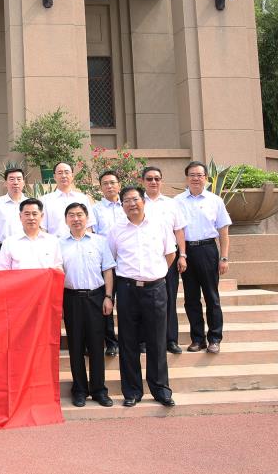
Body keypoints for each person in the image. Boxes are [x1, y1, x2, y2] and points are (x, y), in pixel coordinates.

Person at [108, 186, 176, 408]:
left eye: (135, 199)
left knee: (157, 340)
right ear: (122, 206)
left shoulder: (160, 224)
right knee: (128, 341)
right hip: (127, 289)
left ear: (143, 201)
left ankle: (160, 389)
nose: (131, 204)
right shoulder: (116, 230)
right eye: (126, 200)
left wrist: (154, 275)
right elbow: (112, 259)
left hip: (155, 289)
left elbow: (170, 254)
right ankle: (132, 391)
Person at [59, 202, 116, 408]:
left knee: (96, 345)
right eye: (71, 215)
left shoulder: (100, 242)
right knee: (75, 345)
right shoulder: (58, 244)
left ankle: (99, 390)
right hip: (71, 298)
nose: (76, 219)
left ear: (87, 218)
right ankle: (80, 390)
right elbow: (57, 274)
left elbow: (108, 270)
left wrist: (108, 297)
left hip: (96, 297)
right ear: (66, 220)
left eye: (80, 215)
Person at [175, 161, 232, 354]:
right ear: (187, 178)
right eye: (192, 175)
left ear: (206, 178)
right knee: (191, 298)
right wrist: (181, 255)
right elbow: (176, 230)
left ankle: (214, 338)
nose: (196, 178)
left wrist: (224, 258)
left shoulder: (215, 201)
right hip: (186, 251)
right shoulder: (177, 201)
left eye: (199, 175)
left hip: (208, 250)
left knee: (211, 297)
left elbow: (223, 231)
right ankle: (197, 339)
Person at [141, 166, 188, 354]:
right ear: (142, 181)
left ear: (161, 181)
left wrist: (182, 255)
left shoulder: (172, 204)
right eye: (149, 178)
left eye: (157, 178)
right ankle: (144, 340)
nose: (153, 182)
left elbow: (179, 230)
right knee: (144, 300)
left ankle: (171, 340)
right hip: (145, 259)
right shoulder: (137, 202)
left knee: (168, 298)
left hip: (169, 257)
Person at [90, 170, 126, 357]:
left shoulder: (128, 205)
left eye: (112, 182)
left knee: (128, 305)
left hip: (127, 262)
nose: (109, 186)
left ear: (119, 185)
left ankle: (131, 340)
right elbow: (93, 236)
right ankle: (111, 342)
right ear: (101, 187)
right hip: (105, 265)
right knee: (107, 301)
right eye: (105, 183)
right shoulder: (95, 209)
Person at [0, 198, 63, 271]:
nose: (31, 218)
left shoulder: (52, 241)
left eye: (34, 214)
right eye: (27, 214)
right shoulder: (9, 243)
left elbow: (58, 268)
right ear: (20, 217)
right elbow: (2, 270)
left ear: (42, 216)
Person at [40, 162, 96, 238]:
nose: (63, 176)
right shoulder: (45, 200)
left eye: (67, 172)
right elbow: (43, 228)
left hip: (79, 243)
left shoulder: (82, 198)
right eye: (60, 173)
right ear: (54, 177)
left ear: (72, 176)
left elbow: (89, 226)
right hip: (56, 244)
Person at [0, 167, 26, 254]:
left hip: (26, 248)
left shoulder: (29, 203)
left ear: (23, 183)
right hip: (3, 249)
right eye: (11, 179)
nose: (15, 182)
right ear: (5, 183)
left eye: (19, 179)